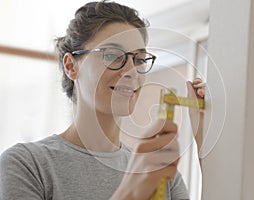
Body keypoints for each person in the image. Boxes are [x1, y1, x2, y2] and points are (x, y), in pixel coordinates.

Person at [0, 1, 205, 199]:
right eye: (113, 55)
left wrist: (203, 142)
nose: (131, 71)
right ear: (71, 66)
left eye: (139, 60)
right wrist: (132, 192)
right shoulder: (27, 164)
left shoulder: (161, 176)